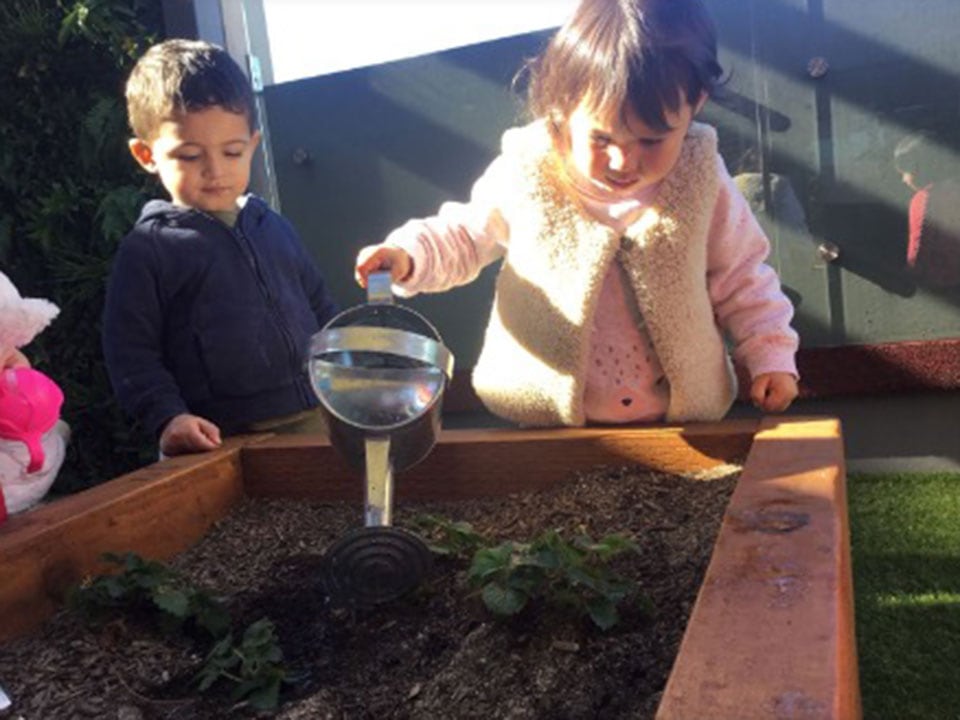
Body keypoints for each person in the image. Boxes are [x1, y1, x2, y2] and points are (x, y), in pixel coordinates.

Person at [354, 0, 799, 427]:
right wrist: (407, 255)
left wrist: (771, 356)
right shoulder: (529, 169)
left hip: (677, 421)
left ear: (695, 103)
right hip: (550, 422)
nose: (624, 162)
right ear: (563, 107)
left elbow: (742, 276)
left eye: (651, 140)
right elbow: (466, 234)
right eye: (602, 139)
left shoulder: (701, 176)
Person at [103, 39, 338, 457]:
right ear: (146, 155)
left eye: (232, 152)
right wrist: (168, 416)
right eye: (190, 155)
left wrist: (344, 373)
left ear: (252, 143)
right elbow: (130, 351)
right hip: (218, 436)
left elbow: (320, 307)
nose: (215, 171)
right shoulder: (149, 249)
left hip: (315, 413)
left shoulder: (274, 226)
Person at [893, 131, 960, 289]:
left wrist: (908, 274)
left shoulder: (923, 198)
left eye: (904, 173)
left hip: (944, 280)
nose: (903, 180)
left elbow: (919, 243)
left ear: (916, 169)